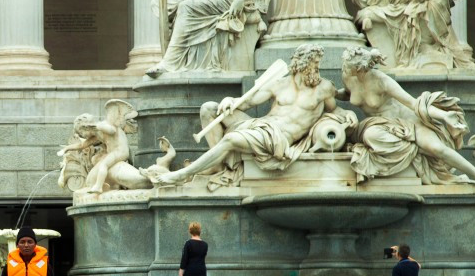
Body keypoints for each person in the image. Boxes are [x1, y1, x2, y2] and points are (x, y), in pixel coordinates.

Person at [147, 44, 344, 187]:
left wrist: (347, 115)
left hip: (277, 139)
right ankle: (219, 165)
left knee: (231, 139)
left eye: (317, 65)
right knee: (209, 108)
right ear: (300, 64)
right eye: (313, 64)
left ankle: (182, 174)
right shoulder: (280, 84)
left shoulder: (324, 88)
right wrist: (230, 100)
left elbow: (335, 110)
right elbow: (248, 102)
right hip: (261, 125)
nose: (316, 69)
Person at [338, 46, 475, 193]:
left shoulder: (381, 81)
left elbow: (413, 103)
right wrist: (328, 93)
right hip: (379, 125)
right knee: (370, 136)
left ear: (360, 70)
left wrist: (444, 116)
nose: (344, 70)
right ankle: (410, 151)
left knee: (437, 149)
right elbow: (348, 95)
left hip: (406, 121)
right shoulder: (349, 78)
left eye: (347, 68)